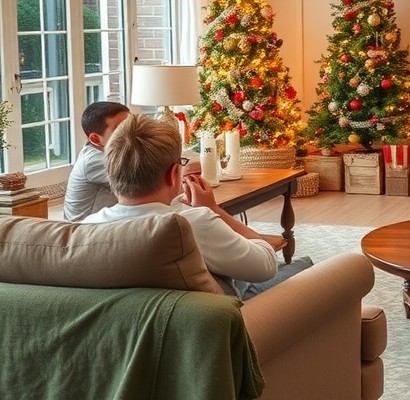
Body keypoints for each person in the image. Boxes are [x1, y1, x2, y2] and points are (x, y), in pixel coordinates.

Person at [83, 114, 311, 299]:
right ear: (174, 174)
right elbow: (265, 265)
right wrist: (214, 210)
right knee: (303, 266)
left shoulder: (84, 229)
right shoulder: (192, 222)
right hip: (225, 324)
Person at [63, 101, 130, 222]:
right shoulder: (93, 161)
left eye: (131, 125)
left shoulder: (116, 151)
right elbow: (141, 180)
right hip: (84, 232)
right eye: (119, 129)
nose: (131, 132)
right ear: (95, 138)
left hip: (105, 224)